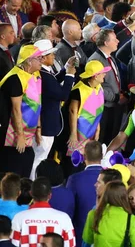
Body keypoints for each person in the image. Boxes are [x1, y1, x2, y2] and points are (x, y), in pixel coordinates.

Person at [0, 45, 42, 177]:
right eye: (39, 58)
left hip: (27, 132)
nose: (42, 60)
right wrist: (20, 136)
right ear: (29, 61)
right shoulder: (15, 78)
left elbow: (37, 104)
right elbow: (16, 110)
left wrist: (38, 129)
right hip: (9, 134)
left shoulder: (33, 75)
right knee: (15, 170)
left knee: (27, 161)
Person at [11, 177, 76, 246]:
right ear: (50, 196)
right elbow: (70, 245)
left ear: (31, 194)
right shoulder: (64, 218)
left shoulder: (19, 218)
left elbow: (13, 244)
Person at [66, 60, 109, 159]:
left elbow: (97, 110)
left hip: (91, 132)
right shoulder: (79, 90)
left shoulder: (99, 88)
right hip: (78, 132)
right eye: (102, 72)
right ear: (95, 76)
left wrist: (98, 129)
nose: (105, 74)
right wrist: (73, 134)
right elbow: (72, 112)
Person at [65, 141, 104, 246]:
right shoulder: (113, 177)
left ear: (84, 157)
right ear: (102, 156)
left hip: (80, 235)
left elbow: (69, 207)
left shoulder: (74, 179)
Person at [83, 180, 135, 247]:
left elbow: (88, 240)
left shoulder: (93, 214)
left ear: (105, 195)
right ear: (124, 196)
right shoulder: (131, 219)